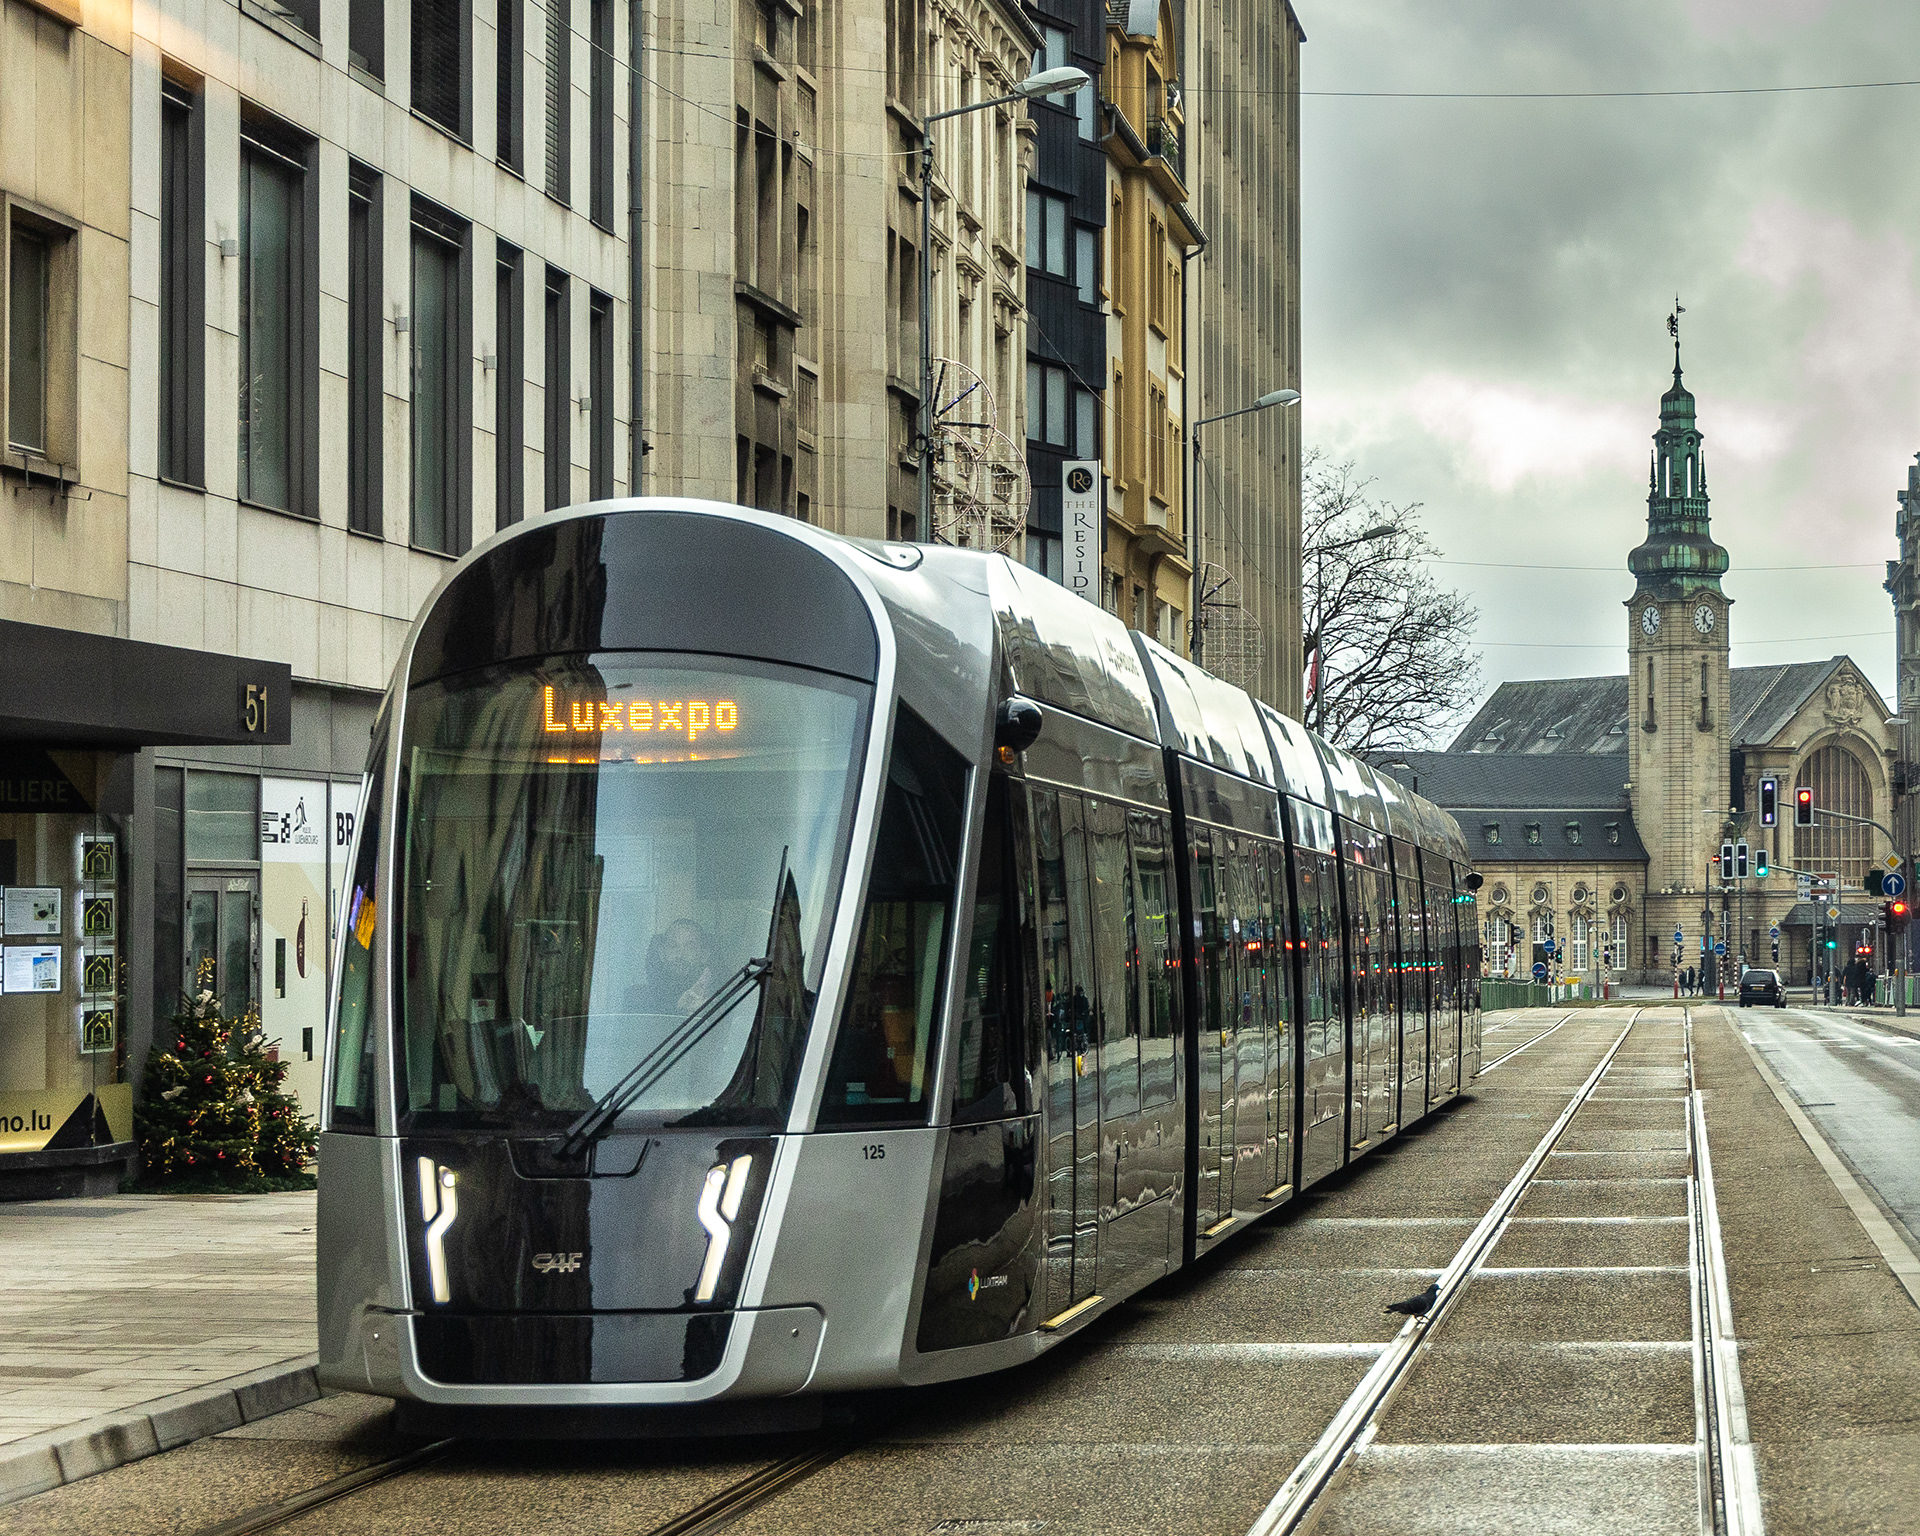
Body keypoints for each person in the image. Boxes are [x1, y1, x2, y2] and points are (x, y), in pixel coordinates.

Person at [637, 919, 716, 1014]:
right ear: (662, 953)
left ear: (704, 954)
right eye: (673, 946)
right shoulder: (639, 999)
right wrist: (681, 1010)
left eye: (690, 947)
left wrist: (705, 1014)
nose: (680, 955)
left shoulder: (720, 1000)